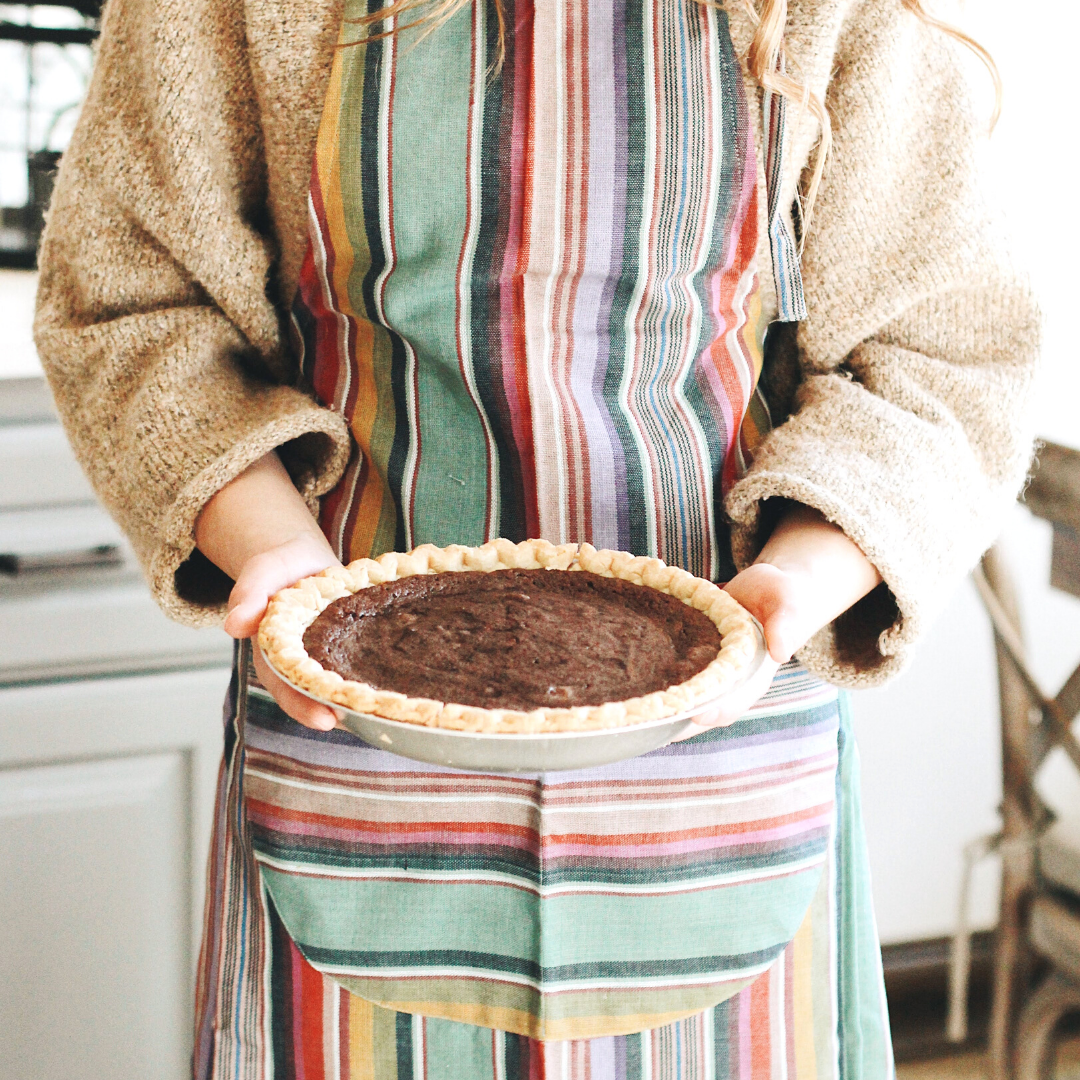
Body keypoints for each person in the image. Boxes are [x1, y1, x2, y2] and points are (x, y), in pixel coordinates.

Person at [33, 0, 1039, 1075]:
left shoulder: (836, 17)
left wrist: (795, 582)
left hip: (718, 756)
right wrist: (274, 548)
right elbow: (136, 304)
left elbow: (940, 359)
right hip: (353, 748)